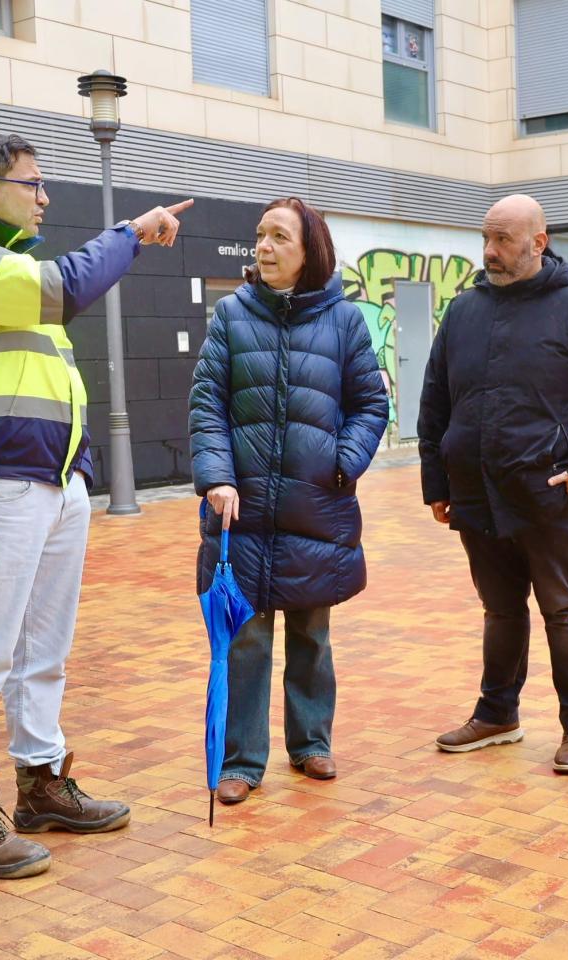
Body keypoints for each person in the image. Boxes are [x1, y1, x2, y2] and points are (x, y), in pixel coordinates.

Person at [0, 131, 191, 879]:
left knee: (42, 651)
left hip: (52, 479)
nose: (45, 196)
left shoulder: (0, 260)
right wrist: (130, 233)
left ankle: (42, 783)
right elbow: (61, 290)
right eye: (33, 183)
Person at [418, 194, 568, 774]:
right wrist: (436, 478)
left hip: (550, 495)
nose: (490, 251)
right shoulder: (464, 311)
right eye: (485, 239)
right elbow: (435, 401)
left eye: (503, 240)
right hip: (475, 493)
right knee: (500, 611)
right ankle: (498, 714)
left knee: (563, 610)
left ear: (538, 243)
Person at [188, 197, 389, 805]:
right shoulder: (231, 316)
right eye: (260, 236)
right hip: (240, 513)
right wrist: (217, 476)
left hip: (314, 508)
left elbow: (370, 404)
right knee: (244, 635)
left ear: (311, 251)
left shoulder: (346, 321)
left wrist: (343, 462)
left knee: (311, 633)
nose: (264, 248)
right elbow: (207, 404)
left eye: (279, 237)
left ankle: (311, 744)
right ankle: (242, 762)